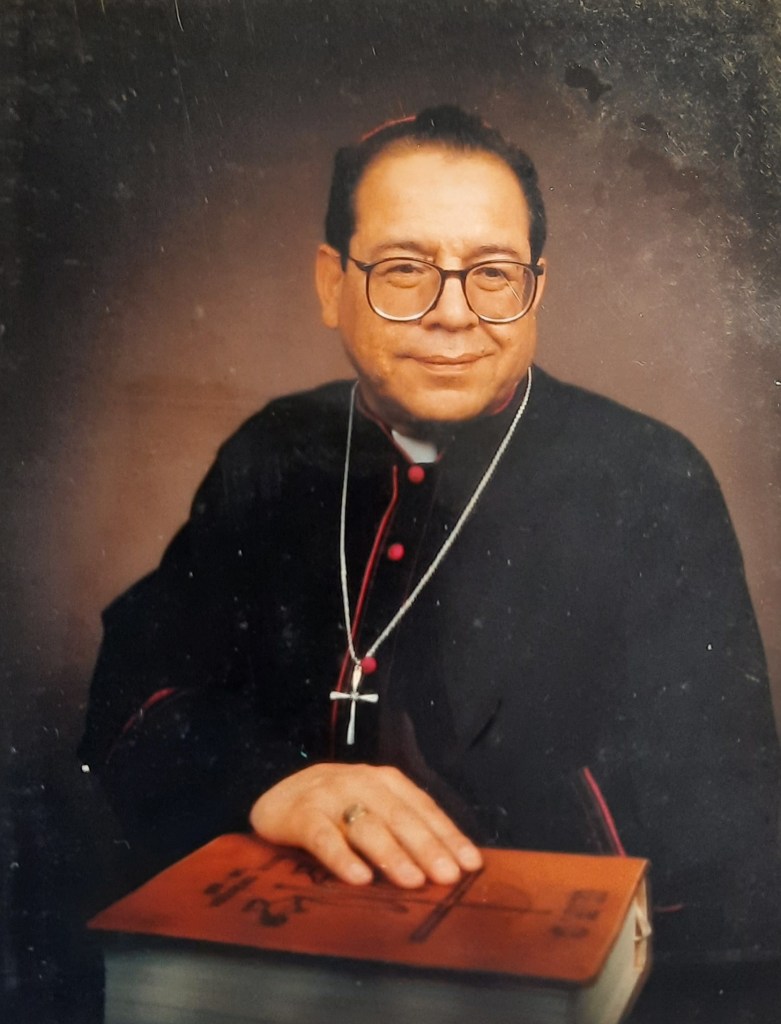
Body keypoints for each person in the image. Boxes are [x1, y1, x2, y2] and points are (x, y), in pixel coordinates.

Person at [79, 106, 780, 960]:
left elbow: (717, 823)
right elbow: (138, 684)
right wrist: (272, 784)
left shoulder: (649, 477)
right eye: (405, 269)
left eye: (492, 272)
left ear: (535, 289)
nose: (453, 314)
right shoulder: (273, 448)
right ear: (331, 284)